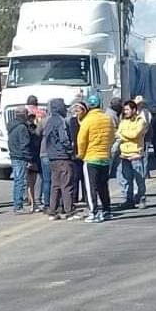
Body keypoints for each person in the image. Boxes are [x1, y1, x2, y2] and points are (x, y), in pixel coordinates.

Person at [77, 94, 114, 222]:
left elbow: (81, 140)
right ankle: (107, 210)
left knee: (91, 187)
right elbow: (111, 136)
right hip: (105, 157)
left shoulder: (87, 120)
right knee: (103, 186)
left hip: (91, 158)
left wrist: (81, 155)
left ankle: (93, 212)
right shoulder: (107, 119)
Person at [43, 98, 75, 220]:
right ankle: (69, 211)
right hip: (63, 156)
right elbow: (64, 139)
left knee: (55, 185)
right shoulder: (61, 121)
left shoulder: (49, 121)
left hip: (52, 157)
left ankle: (52, 210)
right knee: (66, 184)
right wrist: (71, 150)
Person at [117, 99, 147, 209]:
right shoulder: (123, 122)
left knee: (139, 179)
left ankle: (141, 197)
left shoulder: (140, 121)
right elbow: (117, 133)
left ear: (134, 110)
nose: (125, 112)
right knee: (126, 179)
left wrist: (123, 135)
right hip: (124, 154)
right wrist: (125, 136)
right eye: (124, 110)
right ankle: (128, 199)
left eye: (127, 109)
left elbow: (135, 134)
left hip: (136, 154)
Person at [7, 107, 35, 215]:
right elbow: (25, 144)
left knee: (17, 180)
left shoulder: (11, 126)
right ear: (24, 115)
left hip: (14, 155)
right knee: (20, 181)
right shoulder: (22, 127)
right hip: (21, 156)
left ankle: (17, 204)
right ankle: (18, 205)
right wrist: (29, 158)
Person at [27, 94, 51, 212]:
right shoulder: (42, 113)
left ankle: (30, 198)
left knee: (29, 177)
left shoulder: (26, 111)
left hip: (30, 149)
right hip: (41, 148)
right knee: (42, 176)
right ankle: (39, 198)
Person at [68, 98, 88, 207]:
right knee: (75, 176)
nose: (76, 111)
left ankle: (86, 196)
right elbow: (72, 136)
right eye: (75, 110)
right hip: (76, 151)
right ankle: (74, 198)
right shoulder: (72, 121)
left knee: (85, 176)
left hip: (86, 151)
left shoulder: (87, 120)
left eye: (79, 109)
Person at [134, 95, 154, 178]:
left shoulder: (146, 112)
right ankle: (140, 172)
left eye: (140, 103)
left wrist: (143, 133)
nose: (139, 105)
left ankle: (145, 173)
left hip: (145, 136)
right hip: (136, 136)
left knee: (145, 155)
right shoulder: (133, 112)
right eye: (138, 103)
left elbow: (148, 124)